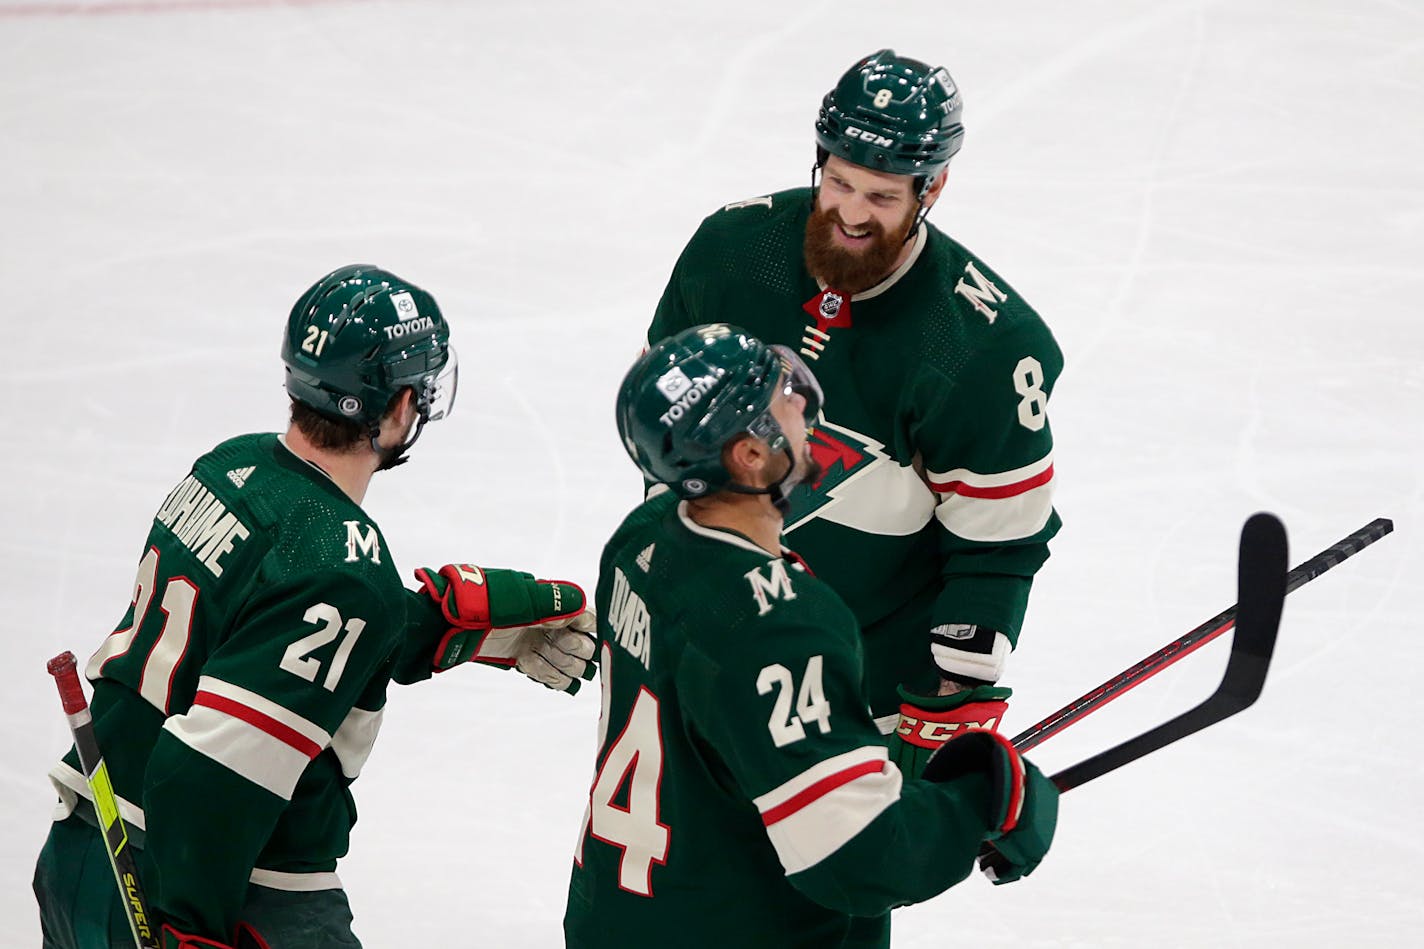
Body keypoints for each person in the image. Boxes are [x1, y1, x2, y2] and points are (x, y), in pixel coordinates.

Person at [33, 265, 596, 949]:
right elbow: (205, 775)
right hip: (207, 889)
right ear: (397, 404)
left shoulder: (231, 465)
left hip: (84, 854)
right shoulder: (340, 565)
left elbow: (264, 626)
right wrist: (193, 928)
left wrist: (454, 630)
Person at [563, 323, 1058, 949]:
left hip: (615, 920)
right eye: (778, 398)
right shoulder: (782, 625)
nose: (799, 402)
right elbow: (857, 858)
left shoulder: (641, 537)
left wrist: (847, 763)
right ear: (748, 454)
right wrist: (978, 806)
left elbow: (723, 728)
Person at [646, 50, 1064, 770]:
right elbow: (666, 435)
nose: (850, 215)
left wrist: (954, 698)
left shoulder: (983, 347)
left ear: (932, 188)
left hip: (867, 679)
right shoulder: (730, 256)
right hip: (717, 642)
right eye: (838, 182)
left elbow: (998, 544)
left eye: (881, 196)